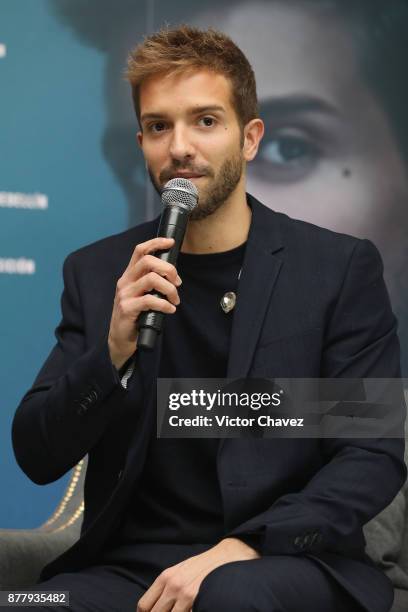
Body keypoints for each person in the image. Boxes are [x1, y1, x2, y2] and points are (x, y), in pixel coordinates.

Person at [11, 25, 406, 612]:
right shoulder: (100, 275)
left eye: (206, 121)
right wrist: (111, 354)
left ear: (249, 138)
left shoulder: (334, 270)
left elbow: (371, 454)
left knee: (229, 596)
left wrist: (243, 545)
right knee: (24, 605)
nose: (179, 147)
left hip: (282, 561)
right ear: (140, 142)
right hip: (132, 569)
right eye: (157, 126)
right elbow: (37, 454)